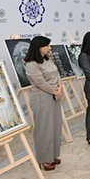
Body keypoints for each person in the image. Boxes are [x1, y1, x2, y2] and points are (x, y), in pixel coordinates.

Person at [24, 36, 63, 170]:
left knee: (55, 126)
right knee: (44, 128)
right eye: (47, 46)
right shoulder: (31, 64)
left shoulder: (47, 59)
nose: (49, 48)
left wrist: (59, 87)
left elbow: (57, 74)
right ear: (39, 47)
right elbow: (40, 82)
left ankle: (53, 155)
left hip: (55, 95)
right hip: (42, 97)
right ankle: (45, 159)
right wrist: (54, 91)